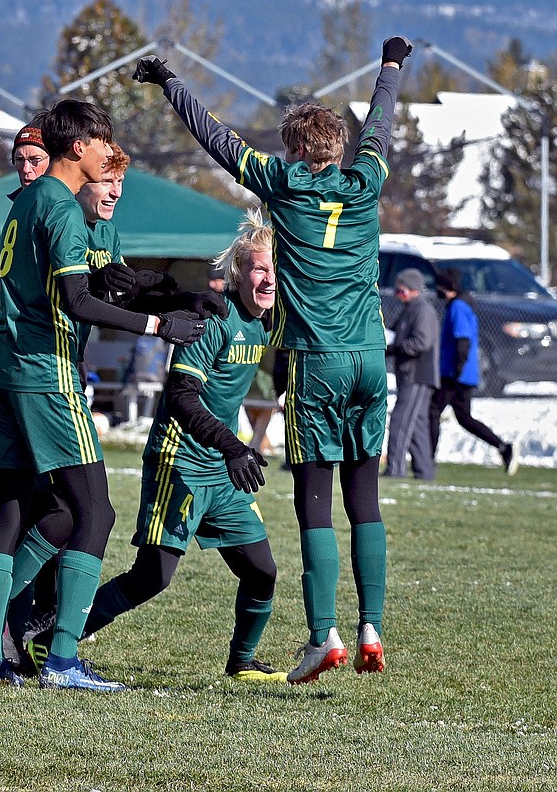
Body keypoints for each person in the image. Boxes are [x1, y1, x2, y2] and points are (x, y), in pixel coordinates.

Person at [134, 35, 414, 683]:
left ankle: (325, 636)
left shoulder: (282, 182)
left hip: (317, 359)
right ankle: (372, 623)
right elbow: (380, 120)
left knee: (315, 500)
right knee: (364, 495)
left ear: (294, 149)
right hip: (371, 356)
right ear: (339, 148)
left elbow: (217, 138)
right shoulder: (367, 176)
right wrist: (391, 66)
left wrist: (171, 81)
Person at [0, 99, 207, 691]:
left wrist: (167, 295)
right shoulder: (57, 203)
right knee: (95, 512)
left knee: (22, 512)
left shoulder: (27, 199)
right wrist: (160, 326)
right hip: (46, 374)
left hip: (6, 370)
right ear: (79, 147)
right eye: (105, 143)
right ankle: (62, 659)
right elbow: (74, 302)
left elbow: (59, 286)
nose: (111, 154)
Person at [25, 209, 284, 682]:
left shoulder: (267, 322)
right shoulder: (213, 318)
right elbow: (182, 400)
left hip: (223, 469)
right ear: (238, 273)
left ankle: (242, 661)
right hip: (179, 459)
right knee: (152, 577)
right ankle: (50, 644)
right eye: (260, 269)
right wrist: (232, 445)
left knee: (262, 570)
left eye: (274, 269)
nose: (269, 279)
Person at [429, 269, 518, 474]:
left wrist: (457, 369)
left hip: (455, 374)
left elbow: (463, 339)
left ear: (448, 287)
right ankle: (503, 447)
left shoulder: (458, 307)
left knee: (432, 412)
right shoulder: (461, 305)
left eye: (440, 287)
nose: (437, 291)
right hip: (459, 373)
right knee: (463, 418)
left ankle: (427, 460)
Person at [384, 268, 440, 480]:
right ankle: (424, 473)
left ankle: (395, 469)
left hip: (418, 375)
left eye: (400, 289)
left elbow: (421, 342)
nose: (397, 293)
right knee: (416, 426)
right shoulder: (409, 309)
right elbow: (394, 335)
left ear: (410, 288)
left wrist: (397, 346)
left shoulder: (422, 310)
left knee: (400, 421)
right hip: (409, 375)